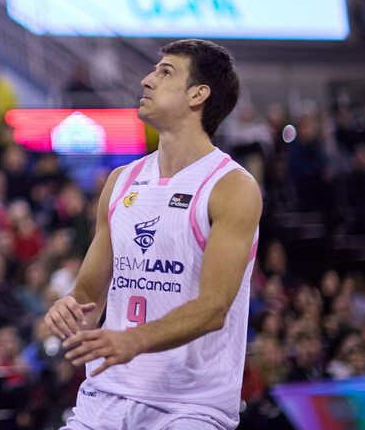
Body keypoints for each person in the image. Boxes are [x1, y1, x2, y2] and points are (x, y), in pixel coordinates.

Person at [43, 39, 260, 430]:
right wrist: (70, 306)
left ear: (198, 94)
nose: (146, 80)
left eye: (165, 72)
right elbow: (89, 295)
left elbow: (214, 308)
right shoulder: (120, 181)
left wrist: (133, 340)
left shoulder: (231, 186)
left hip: (189, 407)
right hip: (107, 397)